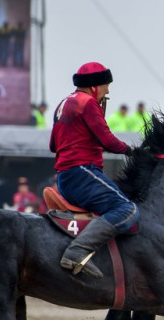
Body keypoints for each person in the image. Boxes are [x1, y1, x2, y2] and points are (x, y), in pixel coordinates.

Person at [50, 62, 138, 278]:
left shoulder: (63, 103)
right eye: (106, 86)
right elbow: (107, 140)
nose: (108, 91)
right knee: (128, 210)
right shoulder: (88, 103)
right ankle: (77, 251)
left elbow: (53, 145)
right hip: (81, 172)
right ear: (94, 86)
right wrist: (132, 151)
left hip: (65, 176)